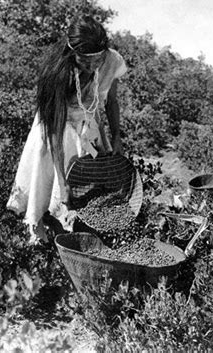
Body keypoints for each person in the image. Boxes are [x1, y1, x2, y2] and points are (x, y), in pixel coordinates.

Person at [7, 15, 127, 244]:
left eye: (97, 60)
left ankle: (84, 240)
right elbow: (53, 132)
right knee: (53, 192)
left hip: (89, 128)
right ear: (73, 54)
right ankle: (45, 244)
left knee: (93, 191)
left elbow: (111, 101)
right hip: (57, 133)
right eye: (85, 61)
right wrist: (62, 184)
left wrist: (117, 137)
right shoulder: (58, 73)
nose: (92, 67)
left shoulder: (112, 61)